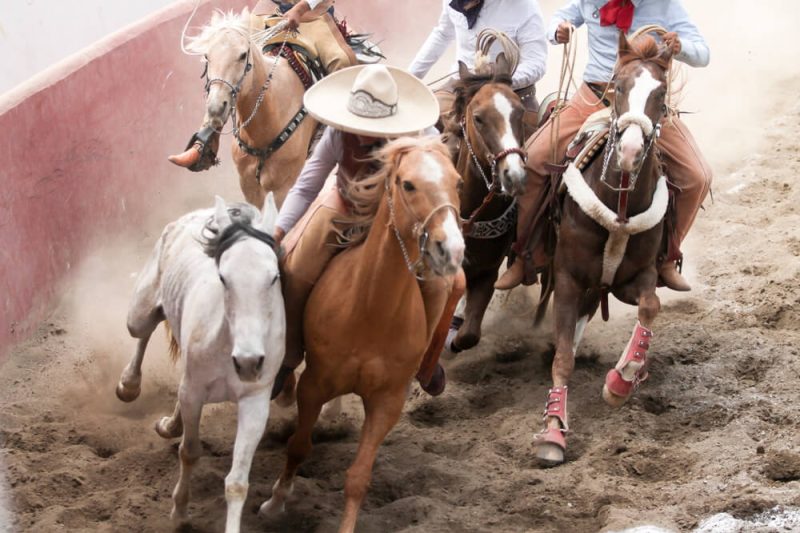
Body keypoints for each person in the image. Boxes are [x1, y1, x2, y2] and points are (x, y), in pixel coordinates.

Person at [494, 0, 712, 291]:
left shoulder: (665, 4)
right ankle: (526, 255)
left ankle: (666, 260)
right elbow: (561, 16)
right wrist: (557, 30)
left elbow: (703, 53)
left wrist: (680, 46)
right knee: (532, 161)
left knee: (698, 176)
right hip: (595, 94)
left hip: (645, 101)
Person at [270, 63, 452, 397]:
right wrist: (280, 230)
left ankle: (422, 361)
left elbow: (441, 188)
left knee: (447, 283)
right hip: (345, 207)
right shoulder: (338, 134)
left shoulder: (421, 139)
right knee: (296, 270)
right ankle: (289, 355)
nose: (360, 129)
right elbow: (308, 183)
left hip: (405, 219)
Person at [168, 0, 356, 169]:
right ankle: (207, 139)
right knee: (229, 54)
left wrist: (299, 9)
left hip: (312, 15)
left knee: (343, 62)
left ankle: (343, 139)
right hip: (268, 10)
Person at [408, 0, 547, 123]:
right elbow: (443, 35)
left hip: (513, 94)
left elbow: (536, 63)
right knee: (425, 124)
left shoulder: (525, 5)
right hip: (459, 87)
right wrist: (409, 77)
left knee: (531, 148)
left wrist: (499, 80)